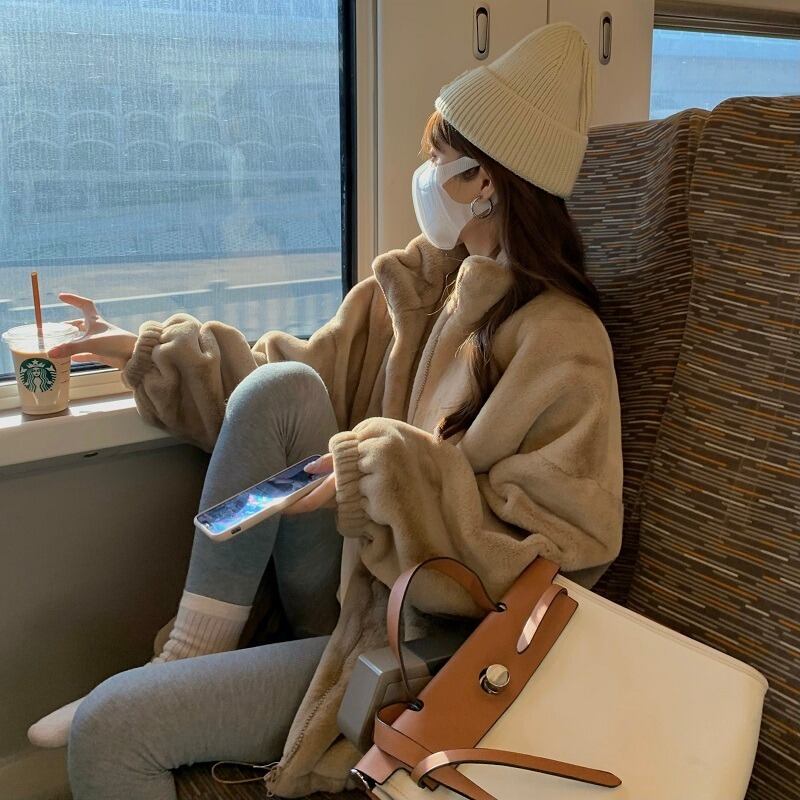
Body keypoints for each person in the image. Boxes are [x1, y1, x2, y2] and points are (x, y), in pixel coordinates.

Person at [29, 21, 624, 800]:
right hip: (346, 582)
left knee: (113, 728)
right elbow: (285, 386)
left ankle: (153, 691)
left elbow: (562, 552)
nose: (423, 174)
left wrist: (391, 474)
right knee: (282, 388)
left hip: (420, 634)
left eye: (437, 157)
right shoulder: (414, 294)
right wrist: (133, 350)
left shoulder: (563, 342)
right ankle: (187, 654)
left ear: (484, 180)